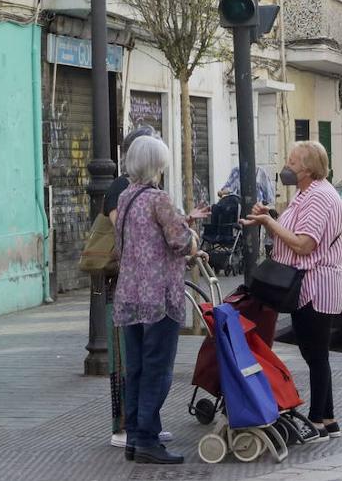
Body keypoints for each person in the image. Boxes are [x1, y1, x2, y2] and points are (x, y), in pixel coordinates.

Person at [113, 135, 210, 464]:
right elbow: (181, 243)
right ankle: (148, 440)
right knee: (159, 369)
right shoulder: (159, 198)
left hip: (130, 295)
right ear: (158, 164)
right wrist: (195, 236)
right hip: (159, 297)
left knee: (137, 368)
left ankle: (135, 438)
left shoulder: (126, 197)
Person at [240, 140, 342, 442]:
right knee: (315, 352)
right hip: (311, 284)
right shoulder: (307, 194)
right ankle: (329, 418)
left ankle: (316, 421)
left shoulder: (319, 198)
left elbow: (303, 244)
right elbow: (296, 227)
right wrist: (270, 214)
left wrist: (269, 223)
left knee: (315, 353)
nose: (287, 165)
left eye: (293, 161)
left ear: (309, 169)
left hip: (315, 285)